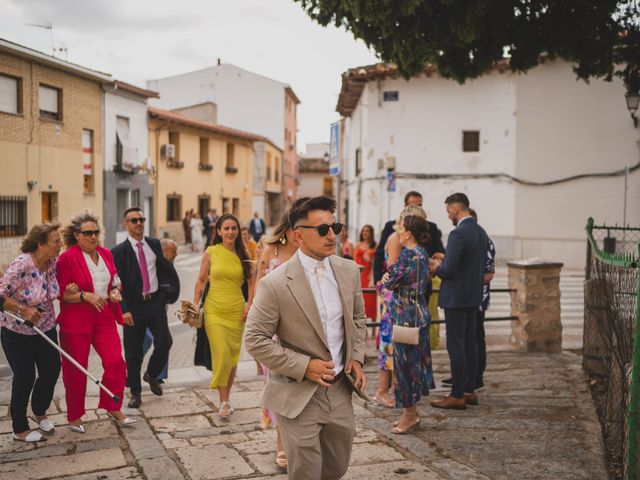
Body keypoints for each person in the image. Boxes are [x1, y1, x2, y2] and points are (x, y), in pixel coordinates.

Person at [245, 195, 368, 480]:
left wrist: (356, 358)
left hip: (340, 389)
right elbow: (255, 338)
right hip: (297, 392)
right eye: (322, 229)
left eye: (334, 227)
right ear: (298, 235)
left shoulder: (348, 271)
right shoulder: (275, 283)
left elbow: (358, 318)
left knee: (336, 467)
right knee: (305, 472)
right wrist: (304, 366)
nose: (331, 235)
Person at [56, 212, 133, 432]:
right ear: (77, 236)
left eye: (96, 232)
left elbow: (115, 282)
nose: (93, 237)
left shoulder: (106, 253)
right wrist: (84, 295)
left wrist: (116, 292)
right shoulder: (67, 258)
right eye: (88, 233)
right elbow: (62, 294)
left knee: (116, 361)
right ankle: (75, 416)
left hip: (104, 315)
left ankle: (112, 405)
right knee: (76, 370)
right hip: (76, 320)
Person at [252, 198, 304, 470]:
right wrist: (252, 312)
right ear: (290, 227)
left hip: (300, 329)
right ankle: (281, 444)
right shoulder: (270, 249)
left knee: (299, 388)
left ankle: (298, 441)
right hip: (272, 331)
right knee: (279, 385)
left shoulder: (309, 251)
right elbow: (258, 284)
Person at [112, 207, 180, 409]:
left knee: (164, 342)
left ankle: (151, 374)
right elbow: (117, 284)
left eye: (141, 219)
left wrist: (167, 293)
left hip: (155, 303)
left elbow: (164, 268)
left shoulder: (154, 244)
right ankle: (135, 393)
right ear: (126, 224)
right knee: (133, 353)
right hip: (133, 307)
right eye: (134, 220)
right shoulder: (119, 252)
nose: (139, 223)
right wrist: (123, 309)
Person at [0, 223, 62, 442]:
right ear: (40, 244)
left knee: (52, 369)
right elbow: (1, 295)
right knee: (25, 376)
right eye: (56, 241)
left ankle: (39, 410)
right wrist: (23, 309)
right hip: (16, 331)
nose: (60, 244)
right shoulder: (22, 264)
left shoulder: (51, 262)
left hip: (45, 327)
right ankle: (19, 428)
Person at [429, 193, 488, 410]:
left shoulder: (457, 234)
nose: (448, 216)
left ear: (455, 209)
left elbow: (449, 271)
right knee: (471, 343)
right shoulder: (480, 232)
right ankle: (469, 390)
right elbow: (468, 263)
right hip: (472, 295)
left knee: (457, 346)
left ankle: (456, 395)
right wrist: (448, 260)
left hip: (456, 298)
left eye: (448, 211)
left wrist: (436, 267)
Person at [193, 214, 255, 418]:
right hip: (214, 310)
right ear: (218, 231)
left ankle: (226, 397)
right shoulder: (211, 252)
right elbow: (201, 281)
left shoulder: (243, 253)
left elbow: (251, 282)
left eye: (233, 228)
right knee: (222, 353)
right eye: (226, 228)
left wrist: (249, 304)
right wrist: (194, 304)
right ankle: (223, 401)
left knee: (232, 356)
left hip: (236, 311)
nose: (230, 232)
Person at [381, 215, 434, 433]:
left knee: (405, 367)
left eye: (400, 229)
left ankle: (410, 415)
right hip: (418, 314)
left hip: (406, 318)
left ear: (408, 233)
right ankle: (409, 413)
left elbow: (390, 281)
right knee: (414, 362)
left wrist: (388, 278)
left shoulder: (408, 256)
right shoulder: (422, 253)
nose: (398, 232)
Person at [374, 205, 427, 408]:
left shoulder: (412, 245)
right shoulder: (396, 238)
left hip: (399, 298)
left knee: (396, 345)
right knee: (389, 345)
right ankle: (383, 390)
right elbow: (394, 271)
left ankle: (398, 388)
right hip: (393, 299)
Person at [373, 191, 445, 284]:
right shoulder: (396, 236)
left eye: (419, 205)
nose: (416, 208)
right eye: (413, 206)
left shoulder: (417, 250)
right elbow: (391, 271)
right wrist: (380, 279)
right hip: (403, 292)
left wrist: (435, 264)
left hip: (411, 291)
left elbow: (394, 279)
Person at [141, 238, 179, 384]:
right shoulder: (152, 264)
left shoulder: (168, 264)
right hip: (147, 312)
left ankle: (157, 375)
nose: (176, 254)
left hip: (160, 312)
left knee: (163, 341)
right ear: (163, 252)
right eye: (173, 251)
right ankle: (135, 373)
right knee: (147, 342)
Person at [354, 225, 377, 321]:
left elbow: (377, 262)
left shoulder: (376, 245)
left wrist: (370, 260)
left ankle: (373, 330)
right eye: (363, 231)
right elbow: (354, 261)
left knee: (371, 301)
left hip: (369, 275)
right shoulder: (357, 245)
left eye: (367, 231)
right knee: (361, 301)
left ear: (371, 233)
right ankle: (364, 328)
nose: (365, 233)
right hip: (360, 274)